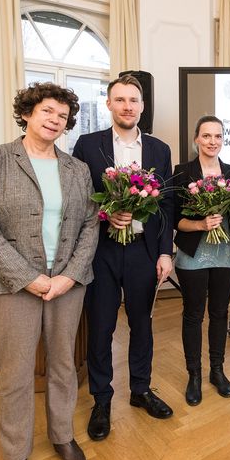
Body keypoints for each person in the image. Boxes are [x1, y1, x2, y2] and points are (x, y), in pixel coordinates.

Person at [0, 82, 98, 460]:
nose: (54, 119)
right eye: (46, 111)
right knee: (16, 372)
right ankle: (15, 455)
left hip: (66, 284)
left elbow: (90, 224)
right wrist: (28, 277)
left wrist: (68, 275)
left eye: (61, 115)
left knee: (63, 365)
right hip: (10, 287)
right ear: (27, 112)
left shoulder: (77, 169)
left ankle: (62, 435)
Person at [73, 75, 175, 440]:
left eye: (134, 100)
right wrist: (106, 215)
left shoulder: (161, 150)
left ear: (142, 106)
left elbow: (165, 204)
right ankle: (101, 400)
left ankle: (141, 390)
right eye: (120, 100)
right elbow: (79, 198)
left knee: (142, 325)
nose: (127, 106)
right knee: (101, 327)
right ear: (109, 104)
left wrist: (165, 252)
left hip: (143, 253)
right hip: (101, 252)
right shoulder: (87, 145)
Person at [172, 116, 230, 406]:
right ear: (196, 139)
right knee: (193, 314)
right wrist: (201, 225)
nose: (212, 141)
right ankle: (194, 375)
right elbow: (175, 220)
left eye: (218, 136)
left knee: (219, 314)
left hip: (226, 254)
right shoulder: (182, 172)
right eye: (207, 136)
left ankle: (217, 370)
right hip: (193, 255)